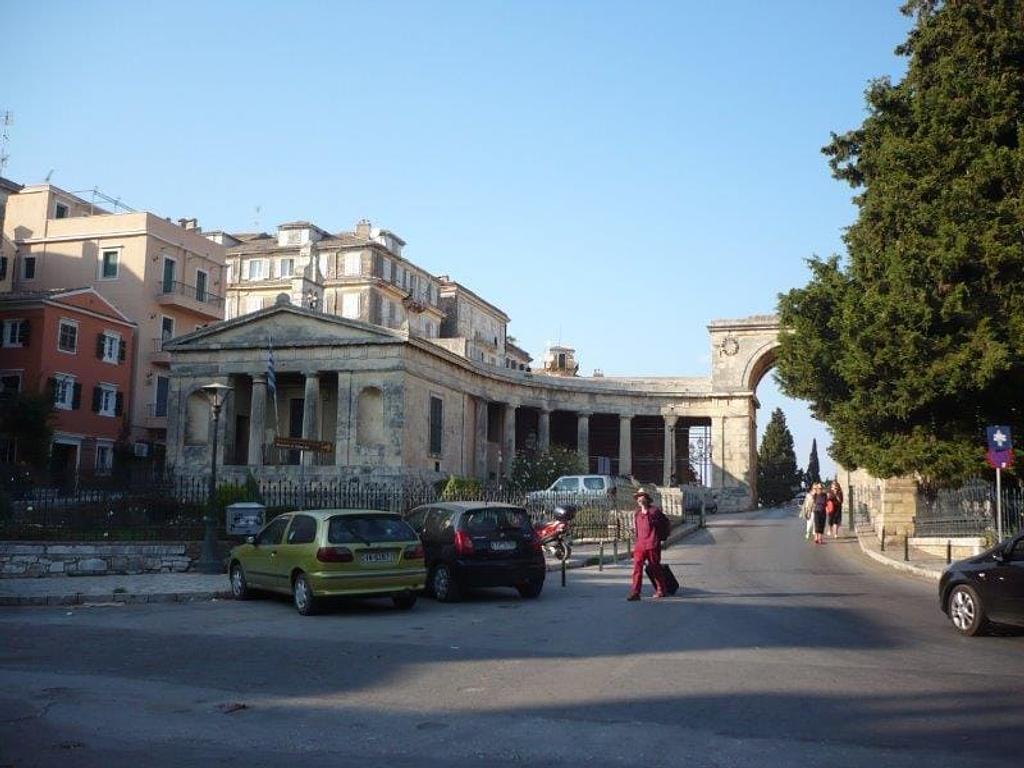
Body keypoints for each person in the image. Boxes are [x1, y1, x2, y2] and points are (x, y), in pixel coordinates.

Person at [627, 488, 669, 601]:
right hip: (640, 545)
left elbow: (664, 525)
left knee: (655, 567)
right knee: (637, 567)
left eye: (641, 496)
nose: (639, 499)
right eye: (638, 497)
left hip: (652, 544)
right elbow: (637, 529)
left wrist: (661, 539)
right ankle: (635, 592)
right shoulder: (637, 513)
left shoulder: (655, 512)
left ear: (647, 498)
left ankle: (661, 589)